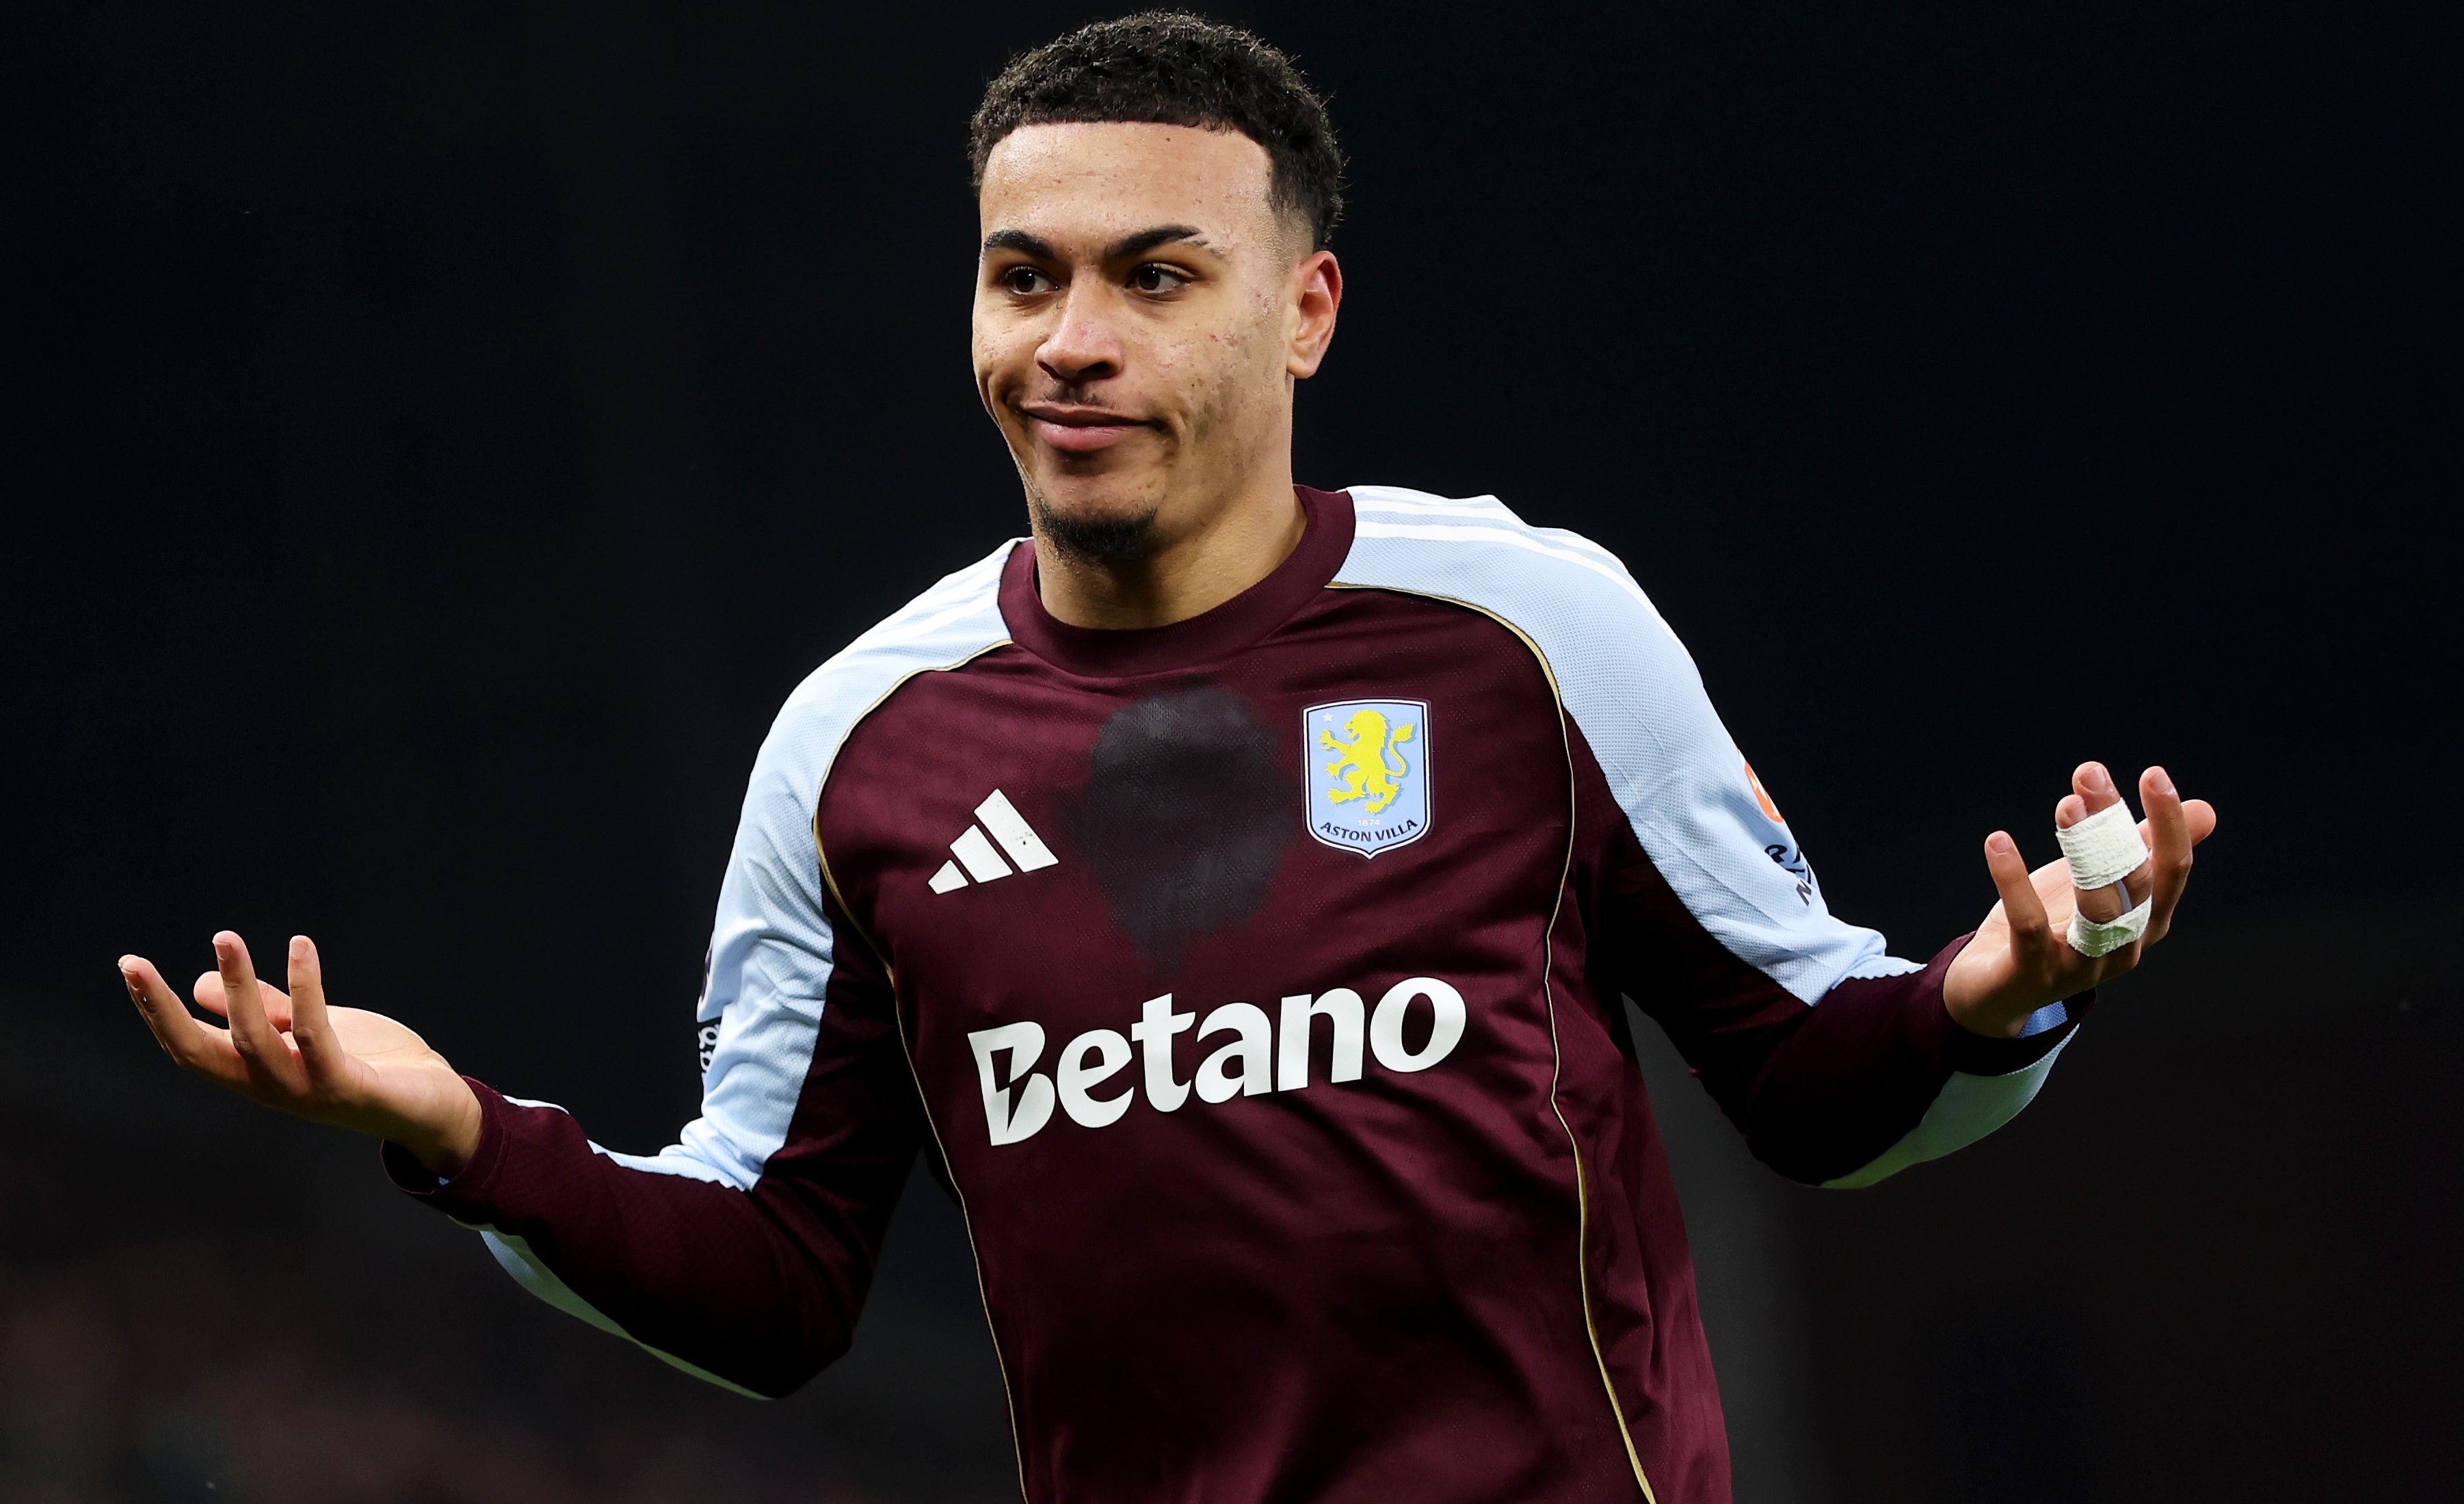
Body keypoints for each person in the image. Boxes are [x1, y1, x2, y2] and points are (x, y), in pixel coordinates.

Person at [118, 14, 2215, 1502]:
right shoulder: (861, 748)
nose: (1069, 340)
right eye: (1021, 277)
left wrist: (1993, 995)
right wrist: (462, 1129)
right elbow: (771, 1282)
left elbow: (1813, 1078)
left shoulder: (1525, 627)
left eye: (1151, 276)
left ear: (1302, 310)